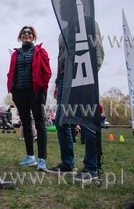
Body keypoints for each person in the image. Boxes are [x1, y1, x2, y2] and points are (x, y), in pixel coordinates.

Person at [49, 23, 104, 183]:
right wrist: (58, 82)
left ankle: (91, 168)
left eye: (64, 5)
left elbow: (98, 51)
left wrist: (90, 74)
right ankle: (67, 163)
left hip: (83, 75)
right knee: (61, 122)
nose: (62, 9)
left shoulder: (89, 23)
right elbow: (61, 58)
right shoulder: (63, 32)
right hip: (64, 80)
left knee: (87, 121)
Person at [7, 26, 52, 171]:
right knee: (25, 124)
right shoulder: (16, 54)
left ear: (33, 37)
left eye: (29, 32)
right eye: (23, 32)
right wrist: (12, 89)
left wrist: (42, 89)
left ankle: (42, 160)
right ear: (20, 37)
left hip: (36, 93)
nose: (26, 34)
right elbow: (12, 72)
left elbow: (47, 72)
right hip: (19, 93)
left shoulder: (40, 51)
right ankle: (30, 156)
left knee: (40, 124)